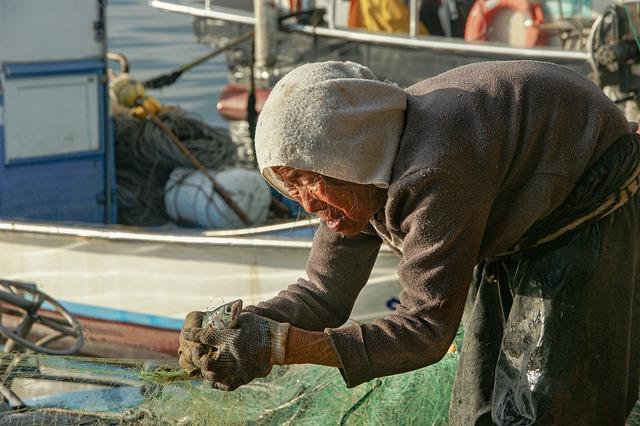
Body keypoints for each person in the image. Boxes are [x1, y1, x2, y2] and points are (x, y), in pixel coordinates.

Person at [178, 60, 640, 424]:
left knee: (545, 408)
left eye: (308, 181)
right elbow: (323, 295)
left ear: (348, 155)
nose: (307, 203)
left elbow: (425, 331)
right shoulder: (358, 173)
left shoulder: (432, 173)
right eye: (290, 187)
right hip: (512, 200)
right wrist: (239, 327)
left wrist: (280, 346)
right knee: (474, 413)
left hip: (585, 195)